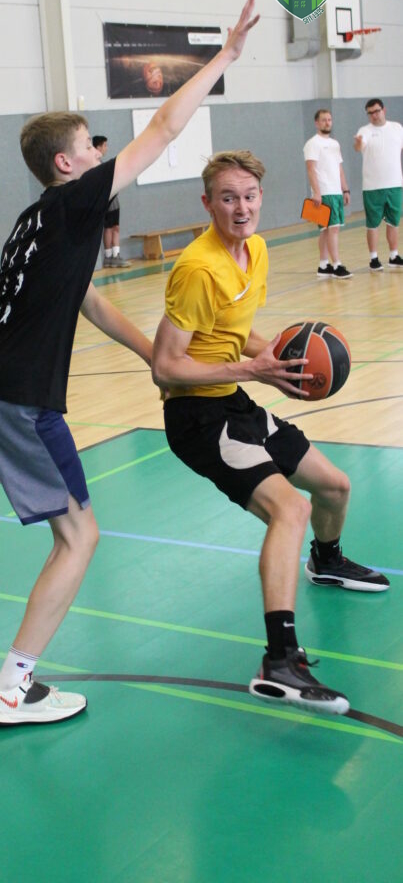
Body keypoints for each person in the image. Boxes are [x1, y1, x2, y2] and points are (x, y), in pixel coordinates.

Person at [0, 0, 260, 727]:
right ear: (66, 163)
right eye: (91, 149)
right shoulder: (73, 202)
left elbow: (87, 301)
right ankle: (13, 687)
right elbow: (164, 127)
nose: (102, 155)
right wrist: (223, 55)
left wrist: (155, 360)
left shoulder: (36, 221)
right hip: (19, 394)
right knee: (79, 535)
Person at [151, 150, 389, 716]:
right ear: (207, 203)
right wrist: (252, 370)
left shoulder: (255, 250)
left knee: (333, 487)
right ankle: (278, 661)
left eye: (250, 196)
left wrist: (285, 359)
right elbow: (165, 367)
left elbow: (236, 334)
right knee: (291, 509)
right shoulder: (197, 268)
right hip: (198, 418)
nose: (241, 208)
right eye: (228, 198)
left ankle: (326, 561)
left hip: (233, 400)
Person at [353, 98, 403, 271]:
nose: (374, 115)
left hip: (395, 184)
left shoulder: (397, 128)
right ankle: (373, 258)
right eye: (370, 113)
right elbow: (359, 147)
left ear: (384, 110)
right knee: (373, 223)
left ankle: (394, 255)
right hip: (372, 186)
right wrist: (358, 144)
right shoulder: (365, 131)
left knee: (393, 222)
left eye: (377, 111)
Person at [304, 109, 352, 279]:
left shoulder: (335, 144)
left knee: (325, 231)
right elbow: (310, 169)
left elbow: (339, 169)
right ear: (317, 123)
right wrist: (317, 192)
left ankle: (323, 265)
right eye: (323, 120)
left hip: (336, 192)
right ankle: (337, 264)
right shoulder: (312, 143)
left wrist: (345, 189)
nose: (327, 122)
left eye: (329, 119)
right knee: (333, 229)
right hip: (324, 193)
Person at [93, 134, 131, 268]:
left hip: (108, 199)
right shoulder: (97, 165)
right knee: (112, 228)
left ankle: (111, 256)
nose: (106, 148)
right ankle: (113, 256)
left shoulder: (98, 163)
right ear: (98, 147)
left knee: (111, 227)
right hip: (109, 200)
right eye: (105, 145)